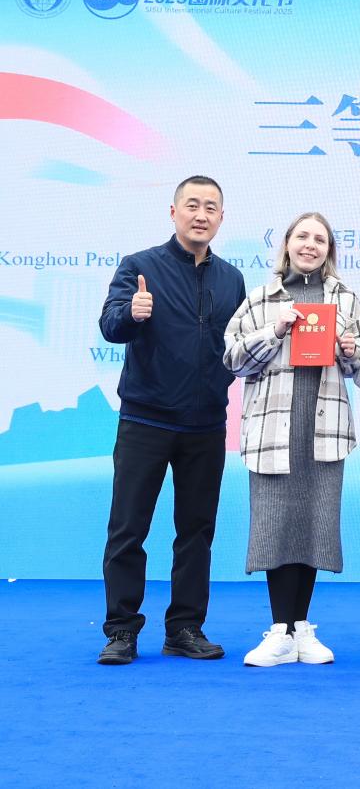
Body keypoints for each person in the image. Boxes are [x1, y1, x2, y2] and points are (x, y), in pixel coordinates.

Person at [97, 175, 245, 665]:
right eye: (192, 205)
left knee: (197, 531)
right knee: (128, 528)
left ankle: (184, 627)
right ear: (174, 211)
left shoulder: (232, 279)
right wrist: (132, 312)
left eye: (211, 207)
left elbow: (238, 347)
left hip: (206, 424)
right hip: (146, 420)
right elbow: (110, 325)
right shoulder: (139, 266)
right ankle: (121, 630)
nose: (201, 215)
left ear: (221, 217)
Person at [224, 211, 360, 667]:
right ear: (287, 244)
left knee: (313, 527)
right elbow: (232, 359)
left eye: (320, 239)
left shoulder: (345, 299)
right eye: (302, 236)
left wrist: (350, 350)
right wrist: (276, 329)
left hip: (323, 431)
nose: (310, 245)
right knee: (275, 527)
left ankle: (302, 628)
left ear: (329, 250)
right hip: (273, 432)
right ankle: (279, 631)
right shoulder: (261, 299)